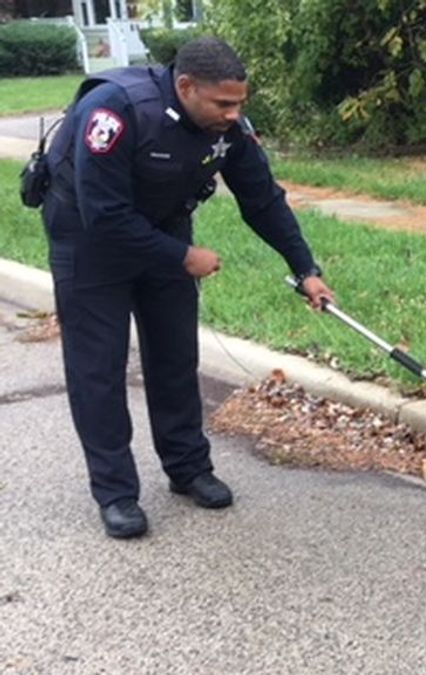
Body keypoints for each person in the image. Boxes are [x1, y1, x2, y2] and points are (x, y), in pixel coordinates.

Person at [40, 37, 335, 539]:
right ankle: (116, 494)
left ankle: (188, 467)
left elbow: (262, 198)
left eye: (240, 102)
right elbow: (104, 214)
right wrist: (183, 257)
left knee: (175, 356)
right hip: (89, 239)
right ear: (185, 86)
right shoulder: (114, 111)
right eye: (224, 103)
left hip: (163, 230)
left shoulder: (227, 128)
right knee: (99, 371)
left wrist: (304, 267)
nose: (234, 114)